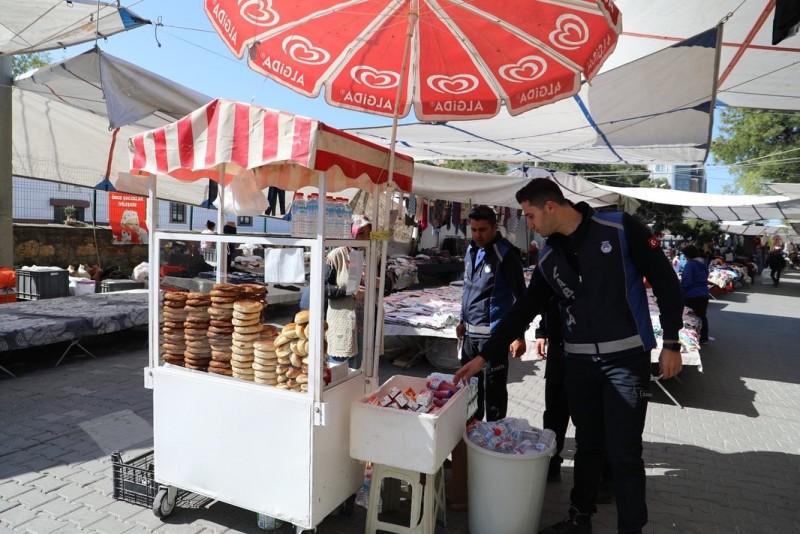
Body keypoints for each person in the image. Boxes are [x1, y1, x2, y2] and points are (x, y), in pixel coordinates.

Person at [454, 178, 683, 534]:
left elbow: (666, 280)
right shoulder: (549, 257)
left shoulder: (619, 227)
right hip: (578, 363)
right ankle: (579, 518)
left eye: (530, 216)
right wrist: (485, 355)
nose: (529, 225)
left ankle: (631, 528)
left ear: (550, 207)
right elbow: (524, 308)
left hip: (626, 360)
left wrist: (671, 342)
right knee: (588, 445)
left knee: (623, 453)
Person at [536, 298, 615, 502]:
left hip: (592, 353)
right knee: (554, 412)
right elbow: (544, 300)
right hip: (559, 349)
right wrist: (542, 331)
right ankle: (551, 463)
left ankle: (604, 476)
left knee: (593, 418)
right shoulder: (552, 275)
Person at [456, 205, 526, 423]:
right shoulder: (471, 250)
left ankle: (495, 438)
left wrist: (519, 336)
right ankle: (470, 436)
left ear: (495, 227)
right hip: (469, 338)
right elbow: (468, 287)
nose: (477, 235)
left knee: (494, 397)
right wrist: (462, 320)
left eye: (482, 230)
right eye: (474, 229)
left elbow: (522, 299)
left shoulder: (507, 254)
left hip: (493, 339)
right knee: (470, 393)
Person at [680, 245, 710, 344]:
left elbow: (687, 281)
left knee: (690, 317)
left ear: (688, 255)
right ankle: (704, 338)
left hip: (691, 295)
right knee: (702, 316)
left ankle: (692, 338)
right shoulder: (703, 263)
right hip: (704, 294)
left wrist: (681, 291)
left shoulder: (690, 265)